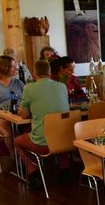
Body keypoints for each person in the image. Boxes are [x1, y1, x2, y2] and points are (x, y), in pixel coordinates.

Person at [15, 59, 70, 190]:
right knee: (59, 132)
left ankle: (33, 172)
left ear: (34, 73)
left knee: (17, 141)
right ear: (50, 72)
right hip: (65, 141)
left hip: (43, 145)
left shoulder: (29, 89)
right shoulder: (62, 87)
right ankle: (65, 169)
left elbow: (23, 114)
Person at [0, 55, 25, 154]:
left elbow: (27, 99)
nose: (16, 68)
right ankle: (15, 157)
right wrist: (6, 114)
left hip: (19, 116)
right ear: (4, 68)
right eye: (13, 66)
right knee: (8, 130)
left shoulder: (18, 83)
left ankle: (28, 158)